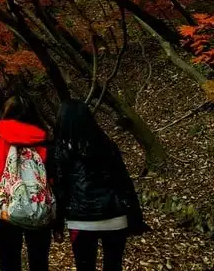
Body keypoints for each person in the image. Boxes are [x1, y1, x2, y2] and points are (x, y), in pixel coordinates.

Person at [53, 100, 147, 271]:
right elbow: (124, 183)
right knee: (113, 266)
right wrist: (135, 216)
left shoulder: (61, 151)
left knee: (85, 267)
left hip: (81, 220)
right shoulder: (107, 145)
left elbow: (60, 190)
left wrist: (57, 223)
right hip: (115, 216)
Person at [0, 95, 56, 271]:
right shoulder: (45, 140)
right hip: (38, 206)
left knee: (8, 260)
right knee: (39, 261)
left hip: (5, 206)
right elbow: (52, 178)